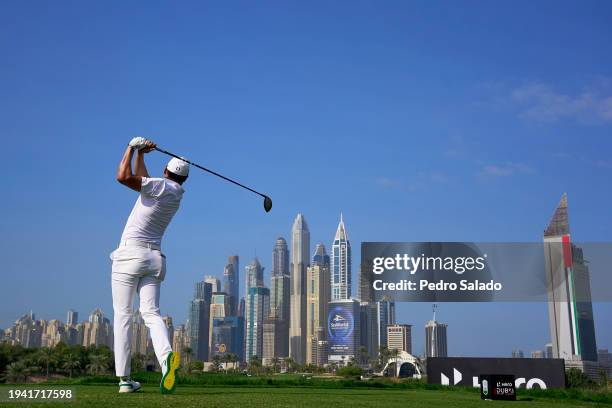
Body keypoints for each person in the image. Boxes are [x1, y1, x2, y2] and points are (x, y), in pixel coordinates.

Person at [110, 137, 188, 394]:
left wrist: (130, 148)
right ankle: (166, 359)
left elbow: (123, 177)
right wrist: (142, 155)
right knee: (151, 314)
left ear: (166, 172)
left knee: (123, 315)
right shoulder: (174, 192)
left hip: (130, 256)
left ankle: (124, 380)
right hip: (154, 259)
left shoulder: (160, 186)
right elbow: (144, 181)